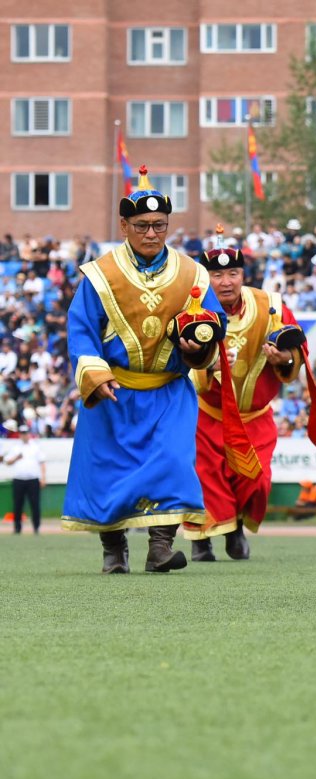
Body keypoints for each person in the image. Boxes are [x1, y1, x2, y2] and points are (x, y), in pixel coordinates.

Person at [62, 166, 226, 573]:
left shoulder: (192, 272)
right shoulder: (100, 275)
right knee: (108, 471)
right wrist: (95, 375)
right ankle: (113, 551)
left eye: (159, 225)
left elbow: (214, 321)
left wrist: (199, 346)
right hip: (115, 390)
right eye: (142, 226)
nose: (151, 233)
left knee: (173, 461)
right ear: (124, 226)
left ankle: (160, 548)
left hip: (169, 390)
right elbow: (81, 330)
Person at [183, 233, 316, 562]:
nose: (226, 282)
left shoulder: (270, 306)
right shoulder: (192, 308)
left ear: (244, 275)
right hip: (208, 414)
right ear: (205, 278)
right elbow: (178, 358)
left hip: (253, 417)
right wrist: (206, 364)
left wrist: (285, 358)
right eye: (217, 275)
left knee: (256, 480)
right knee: (206, 478)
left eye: (233, 273)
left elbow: (298, 346)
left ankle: (235, 527)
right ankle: (202, 539)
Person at [4, 424, 45, 535]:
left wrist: (43, 478)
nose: (24, 435)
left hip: (33, 480)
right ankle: (17, 528)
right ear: (19, 435)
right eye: (22, 433)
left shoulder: (35, 446)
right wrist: (16, 458)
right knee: (17, 505)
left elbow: (42, 462)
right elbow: (7, 462)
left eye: (25, 433)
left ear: (29, 434)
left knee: (35, 504)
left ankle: (36, 527)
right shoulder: (15, 447)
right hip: (19, 480)